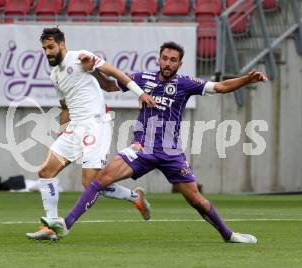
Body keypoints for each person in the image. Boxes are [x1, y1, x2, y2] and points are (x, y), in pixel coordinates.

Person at [40, 41, 268, 244]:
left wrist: (247, 79)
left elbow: (220, 87)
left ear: (180, 64)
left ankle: (229, 235)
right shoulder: (142, 79)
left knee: (196, 200)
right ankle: (66, 224)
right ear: (159, 59)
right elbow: (109, 85)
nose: (168, 63)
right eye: (165, 58)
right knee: (100, 180)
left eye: (173, 60)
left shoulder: (186, 83)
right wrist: (95, 71)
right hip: (141, 148)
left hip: (171, 152)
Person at [26, 27, 156, 241]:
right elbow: (65, 106)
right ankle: (50, 226)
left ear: (62, 44)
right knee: (45, 172)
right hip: (74, 128)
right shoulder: (55, 75)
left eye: (51, 47)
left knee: (90, 184)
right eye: (44, 49)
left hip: (95, 125)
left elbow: (114, 74)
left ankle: (135, 197)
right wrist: (62, 128)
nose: (48, 52)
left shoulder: (79, 57)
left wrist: (140, 93)